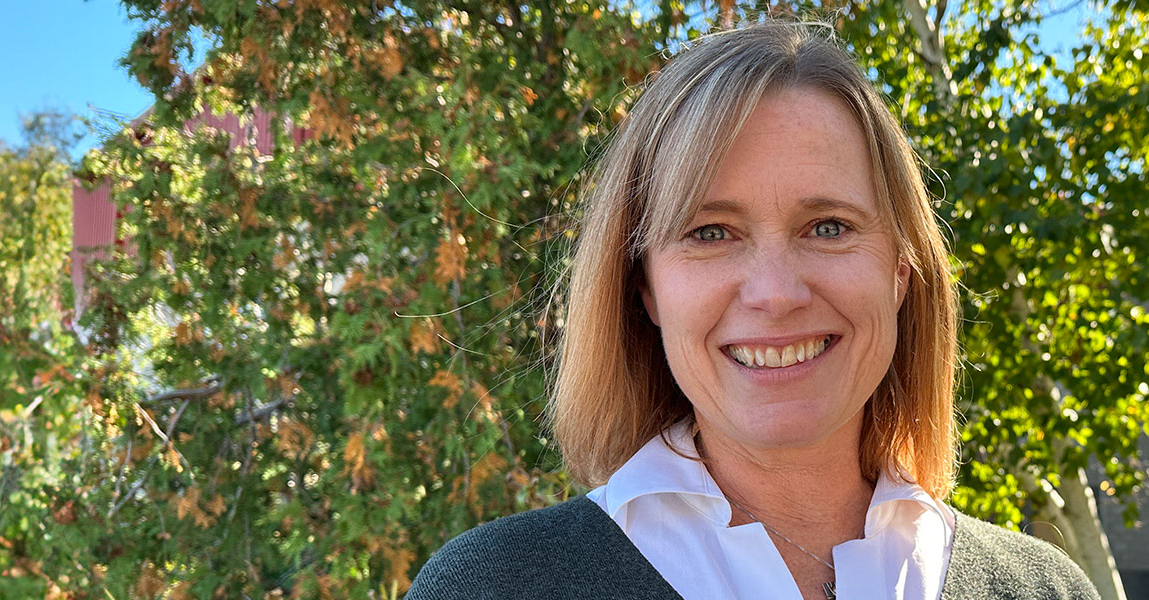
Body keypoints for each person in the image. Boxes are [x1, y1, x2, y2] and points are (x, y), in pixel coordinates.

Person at [404, 20, 1098, 600]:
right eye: (711, 233)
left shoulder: (1041, 588)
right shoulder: (496, 586)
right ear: (642, 286)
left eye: (828, 226)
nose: (775, 292)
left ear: (901, 272)